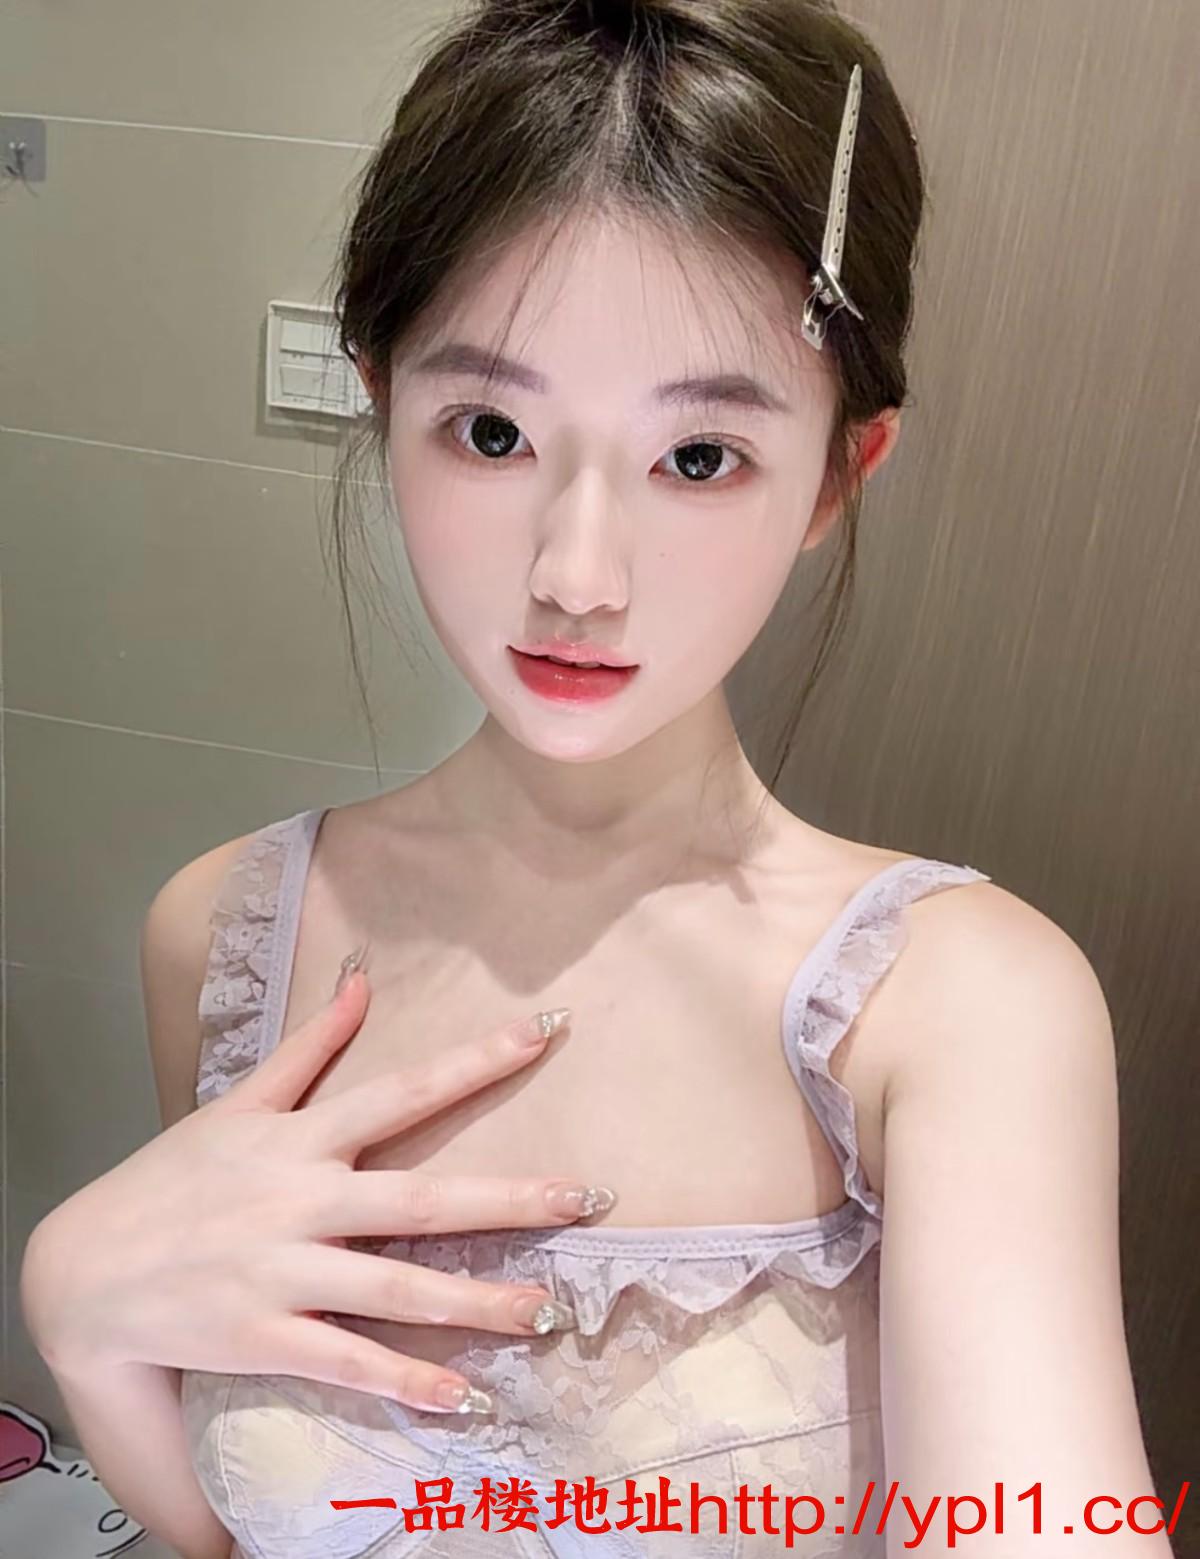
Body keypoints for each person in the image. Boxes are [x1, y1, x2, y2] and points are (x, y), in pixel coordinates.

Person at [20, 1, 1173, 1555]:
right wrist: (82, 1319)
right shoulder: (224, 937)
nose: (578, 575)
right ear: (383, 400)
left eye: (699, 458)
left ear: (840, 472)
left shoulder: (956, 1012)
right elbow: (231, 1537)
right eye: (491, 430)